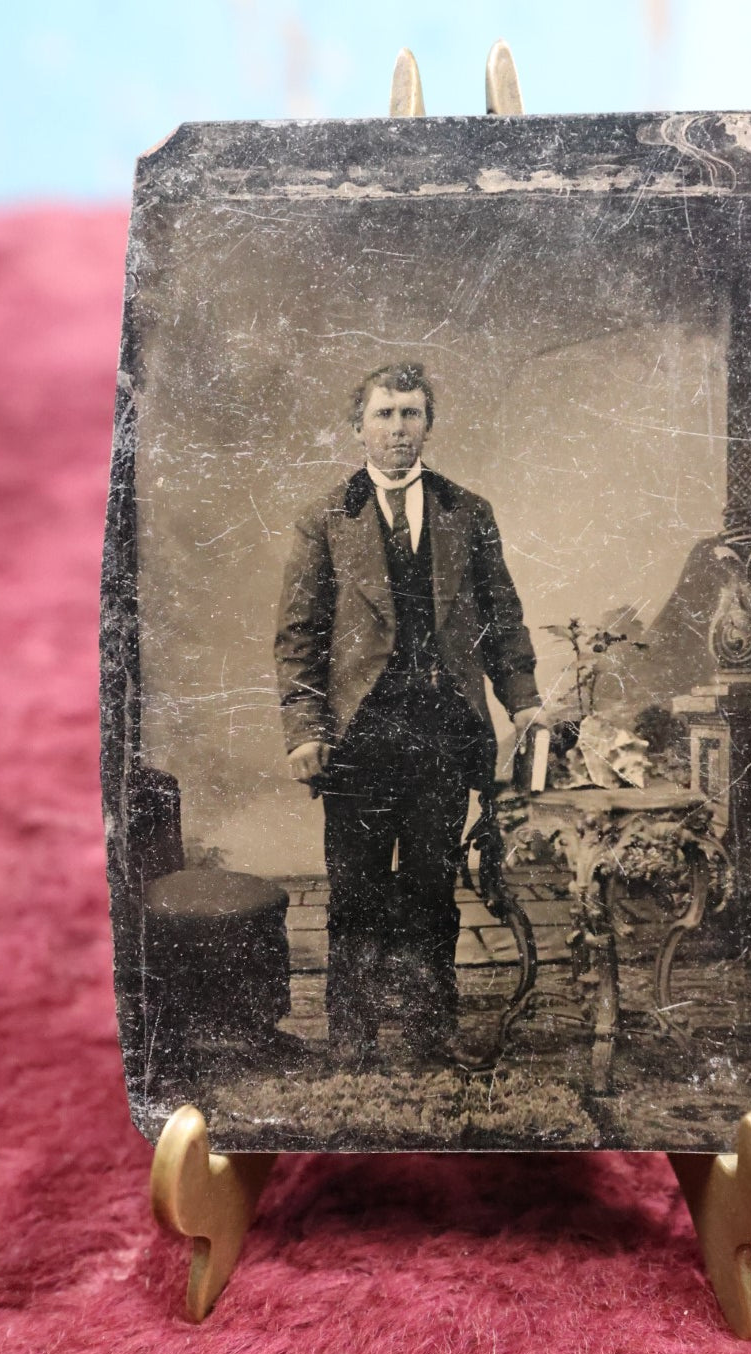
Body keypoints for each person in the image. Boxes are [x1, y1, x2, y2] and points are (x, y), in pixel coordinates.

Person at [275, 361, 540, 1069]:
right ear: (357, 424)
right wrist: (305, 730)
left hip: (442, 733)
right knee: (356, 889)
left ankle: (429, 1029)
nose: (398, 429)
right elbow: (298, 638)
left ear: (429, 422)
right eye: (384, 414)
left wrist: (527, 704)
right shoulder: (325, 518)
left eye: (410, 414)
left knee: (431, 888)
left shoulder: (467, 511)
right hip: (359, 738)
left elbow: (502, 622)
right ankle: (353, 1040)